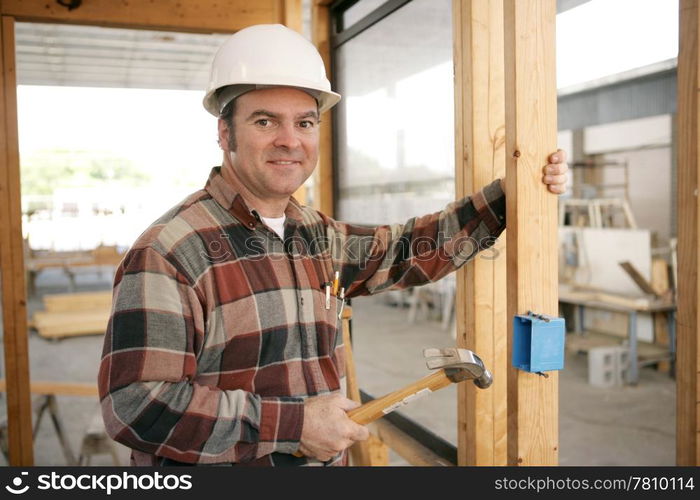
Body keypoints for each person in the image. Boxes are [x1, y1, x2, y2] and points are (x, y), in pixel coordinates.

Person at [98, 24, 568, 467]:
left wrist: (513, 193)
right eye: (265, 121)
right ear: (224, 133)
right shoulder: (170, 252)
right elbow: (137, 405)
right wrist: (295, 425)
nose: (289, 140)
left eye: (304, 123)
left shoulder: (313, 235)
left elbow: (408, 249)